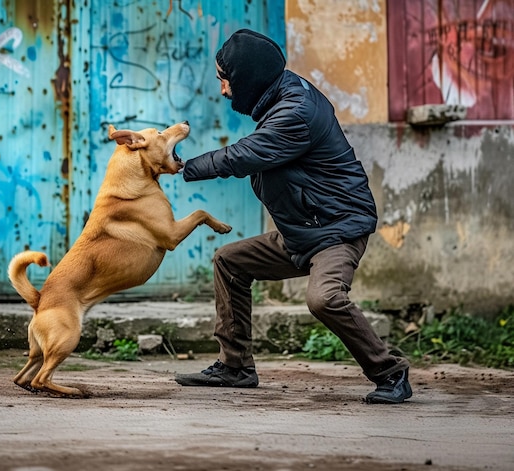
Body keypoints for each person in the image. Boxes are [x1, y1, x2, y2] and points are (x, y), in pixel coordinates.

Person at [174, 29, 412, 404]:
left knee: (324, 298)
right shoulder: (280, 94)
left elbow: (242, 156)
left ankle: (390, 372)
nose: (223, 91)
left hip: (337, 229)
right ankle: (235, 367)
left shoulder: (295, 112)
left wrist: (182, 166)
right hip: (303, 228)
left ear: (247, 79)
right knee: (229, 261)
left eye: (225, 81)